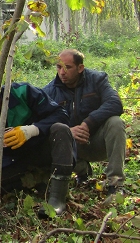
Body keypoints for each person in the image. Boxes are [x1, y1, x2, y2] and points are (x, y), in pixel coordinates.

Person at [0, 70, 75, 217]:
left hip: (46, 150)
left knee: (60, 129)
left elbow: (61, 115)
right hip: (18, 161)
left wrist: (32, 130)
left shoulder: (23, 92)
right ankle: (41, 179)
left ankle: (57, 199)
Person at [43, 49, 125, 202]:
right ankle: (82, 171)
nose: (62, 72)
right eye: (59, 67)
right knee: (48, 136)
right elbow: (41, 122)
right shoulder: (49, 91)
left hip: (99, 141)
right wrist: (67, 132)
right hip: (73, 147)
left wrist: (88, 123)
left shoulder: (97, 79)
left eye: (67, 67)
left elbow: (115, 103)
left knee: (116, 122)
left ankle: (115, 186)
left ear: (80, 68)